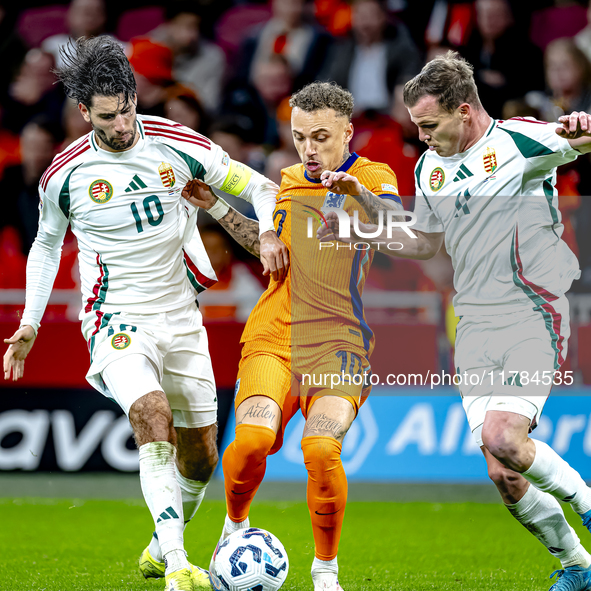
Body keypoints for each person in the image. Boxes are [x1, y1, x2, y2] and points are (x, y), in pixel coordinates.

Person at [2, 36, 288, 591]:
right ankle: (180, 564)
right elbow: (44, 246)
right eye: (107, 116)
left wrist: (271, 230)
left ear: (134, 95)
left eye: (127, 107)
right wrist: (30, 322)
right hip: (114, 316)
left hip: (181, 315)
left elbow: (258, 185)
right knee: (151, 416)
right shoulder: (63, 174)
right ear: (85, 112)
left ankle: (159, 547)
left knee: (202, 455)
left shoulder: (179, 145)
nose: (121, 123)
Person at [319, 51, 591, 591]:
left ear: (464, 111)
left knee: (504, 437)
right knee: (503, 471)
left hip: (531, 312)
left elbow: (579, 140)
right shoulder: (429, 167)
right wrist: (361, 228)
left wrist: (584, 126)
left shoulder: (519, 141)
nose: (421, 137)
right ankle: (577, 565)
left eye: (428, 125)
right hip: (472, 323)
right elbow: (422, 242)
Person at [182, 81, 402, 591]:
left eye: (320, 136)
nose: (308, 148)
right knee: (252, 442)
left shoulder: (374, 176)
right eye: (299, 136)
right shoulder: (285, 179)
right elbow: (265, 247)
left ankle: (325, 572)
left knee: (321, 450)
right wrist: (217, 207)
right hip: (273, 336)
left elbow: (394, 229)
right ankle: (234, 529)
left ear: (347, 132)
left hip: (339, 343)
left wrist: (359, 199)